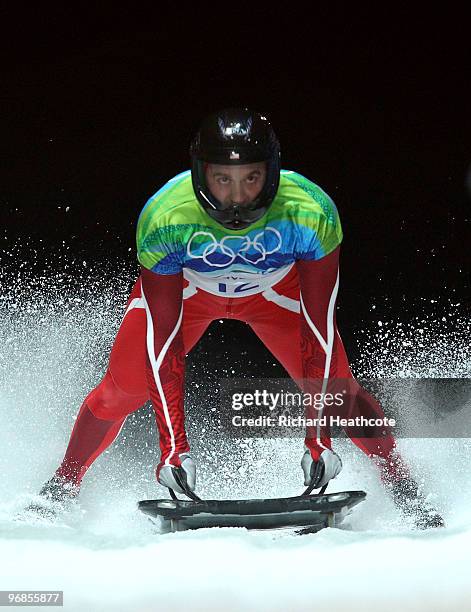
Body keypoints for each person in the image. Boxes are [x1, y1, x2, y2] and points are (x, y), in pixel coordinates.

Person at [32, 108, 443, 528]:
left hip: (275, 295)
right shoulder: (164, 217)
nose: (237, 196)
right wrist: (173, 448)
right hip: (190, 294)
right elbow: (164, 339)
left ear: (272, 172)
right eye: (222, 179)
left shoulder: (311, 212)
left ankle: (406, 489)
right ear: (201, 173)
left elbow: (317, 328)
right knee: (124, 388)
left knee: (340, 393)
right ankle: (62, 487)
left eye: (251, 178)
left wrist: (318, 440)